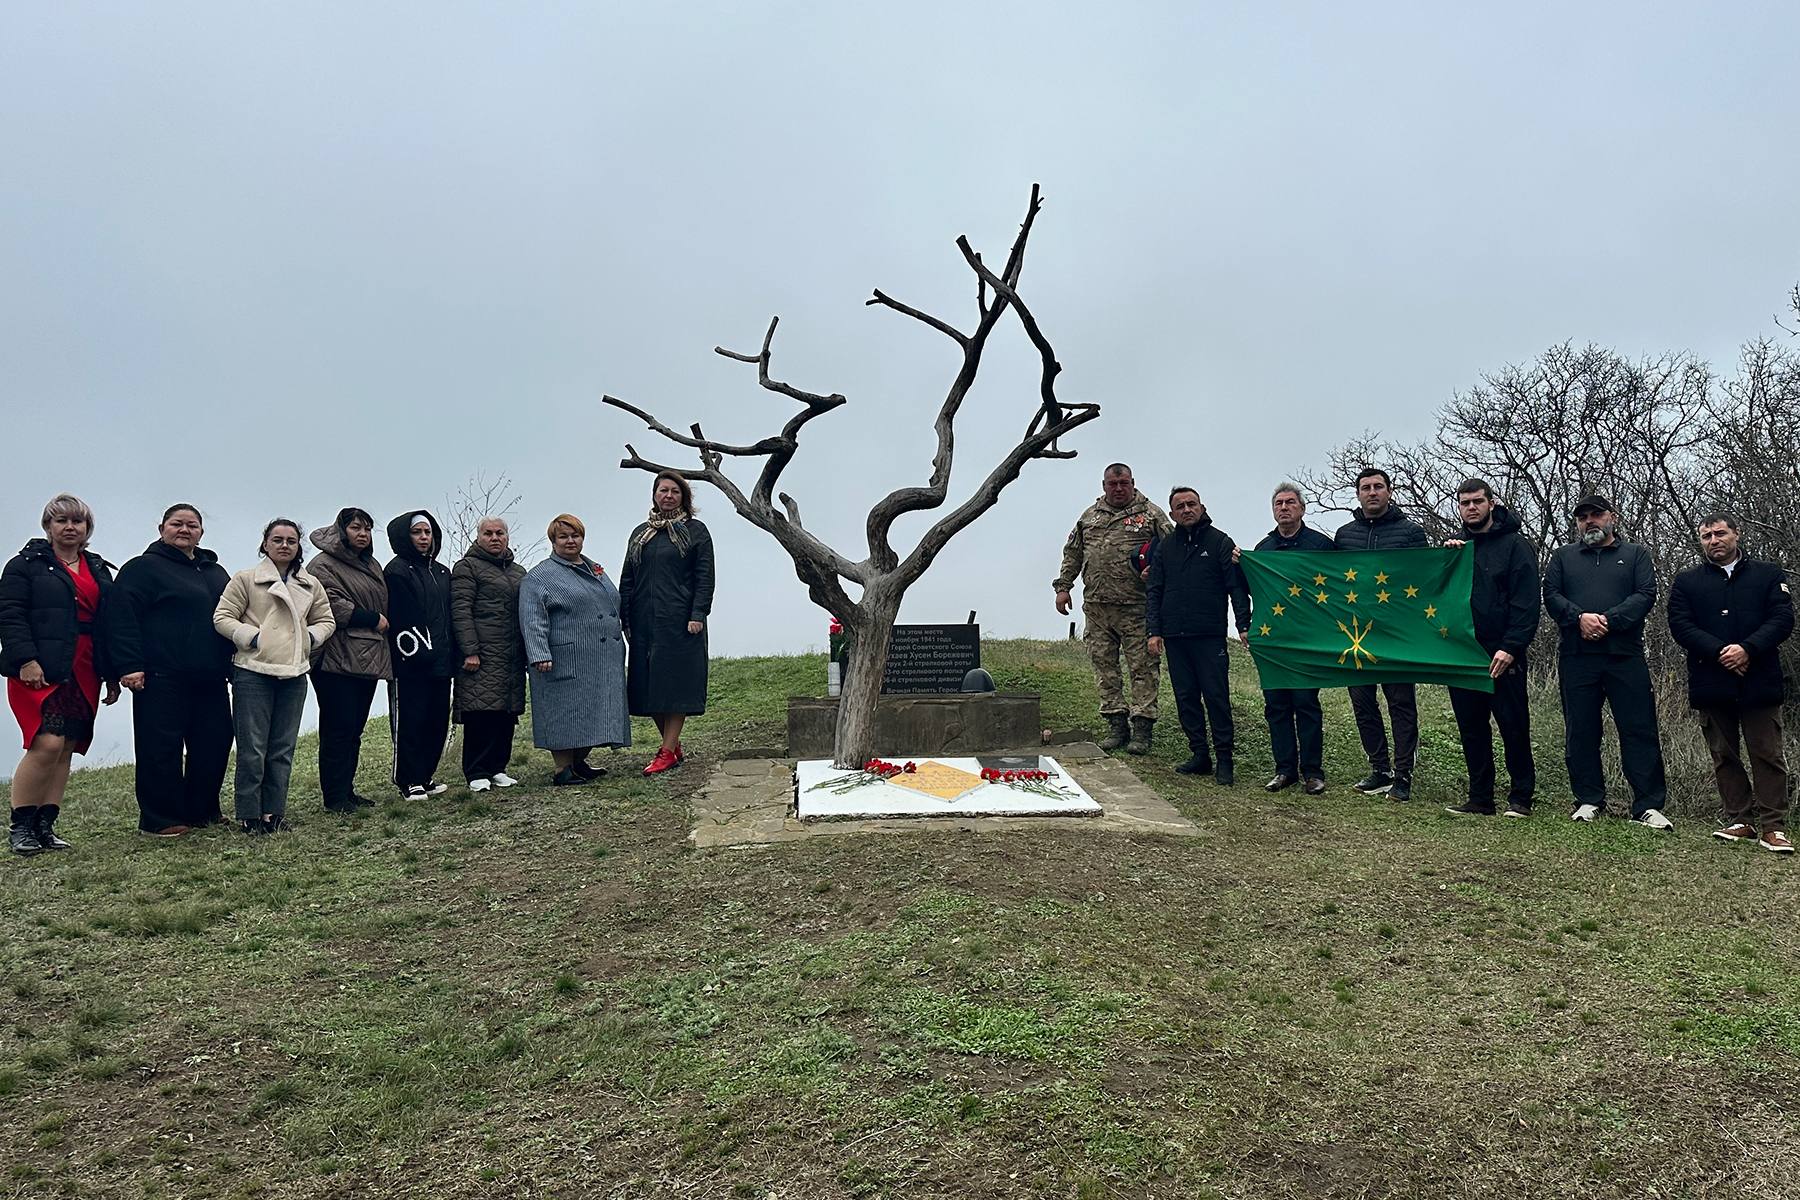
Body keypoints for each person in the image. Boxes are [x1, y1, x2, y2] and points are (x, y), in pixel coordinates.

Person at [1, 494, 123, 854]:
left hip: (85, 665)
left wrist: (111, 673)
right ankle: (20, 826)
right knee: (47, 742)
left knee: (67, 745)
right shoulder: (25, 565)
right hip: (41, 664)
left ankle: (44, 826)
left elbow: (107, 624)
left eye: (77, 521)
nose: (70, 527)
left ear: (87, 528)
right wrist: (26, 659)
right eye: (61, 520)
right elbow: (9, 615)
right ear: (48, 526)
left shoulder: (98, 568)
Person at [1667, 514, 1795, 852]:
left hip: (1760, 679)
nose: (1714, 540)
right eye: (1706, 536)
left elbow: (1782, 619)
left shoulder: (1768, 575)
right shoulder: (1687, 582)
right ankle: (1740, 820)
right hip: (1711, 680)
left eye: (1720, 533)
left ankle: (1774, 826)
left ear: (1736, 534)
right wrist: (1721, 652)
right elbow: (1681, 625)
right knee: (1723, 754)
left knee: (1767, 753)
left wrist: (1747, 649)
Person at [1543, 495, 1671, 829]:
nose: (1590, 521)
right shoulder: (1563, 557)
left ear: (1612, 517)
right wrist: (1579, 618)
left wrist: (1608, 621)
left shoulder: (1635, 555)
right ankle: (1589, 799)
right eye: (1583, 516)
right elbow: (1551, 596)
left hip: (1624, 656)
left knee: (1638, 728)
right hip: (1577, 657)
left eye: (1596, 514)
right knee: (1581, 730)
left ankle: (1647, 805)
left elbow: (1645, 594)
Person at [106, 503, 233, 836]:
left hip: (210, 677)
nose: (184, 530)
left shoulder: (215, 572)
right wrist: (129, 665)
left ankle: (202, 810)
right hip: (161, 675)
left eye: (192, 525)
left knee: (215, 741)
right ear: (161, 528)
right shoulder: (142, 569)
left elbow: (232, 618)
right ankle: (160, 818)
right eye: (177, 523)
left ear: (201, 532)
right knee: (160, 748)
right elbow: (121, 619)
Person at [212, 519, 336, 834]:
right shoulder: (246, 579)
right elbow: (223, 617)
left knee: (282, 747)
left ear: (298, 546)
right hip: (253, 670)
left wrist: (308, 638)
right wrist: (253, 638)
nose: (284, 545)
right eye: (277, 539)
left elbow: (326, 619)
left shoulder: (310, 584)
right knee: (253, 747)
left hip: (294, 672)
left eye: (291, 541)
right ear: (265, 544)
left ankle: (273, 813)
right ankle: (249, 814)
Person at [1054, 463, 1174, 755]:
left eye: (1123, 483)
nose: (1118, 488)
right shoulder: (1089, 516)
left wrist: (1160, 576)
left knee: (1143, 669)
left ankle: (1142, 729)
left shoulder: (1151, 515)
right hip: (1097, 608)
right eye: (1112, 484)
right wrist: (1063, 587)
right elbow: (1073, 552)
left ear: (1132, 482)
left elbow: (1173, 552)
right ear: (1104, 485)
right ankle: (1116, 725)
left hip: (1137, 608)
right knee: (1104, 667)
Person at [1441, 480, 1540, 819]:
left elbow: (1526, 602)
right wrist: (1448, 558)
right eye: (1465, 503)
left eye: (1477, 501)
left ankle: (1521, 798)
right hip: (1463, 654)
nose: (1471, 508)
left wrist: (1511, 647)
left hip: (1503, 654)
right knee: (1471, 727)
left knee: (1513, 726)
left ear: (1491, 504)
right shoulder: (1457, 548)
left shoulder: (1516, 546)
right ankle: (1480, 797)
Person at [1146, 487, 1251, 783]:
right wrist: (1154, 631)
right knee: (1186, 698)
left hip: (1209, 636)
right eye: (1180, 506)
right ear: (1172, 514)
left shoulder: (1220, 542)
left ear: (1202, 507)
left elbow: (1235, 588)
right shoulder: (1165, 547)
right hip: (1175, 637)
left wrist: (1243, 624)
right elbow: (1154, 590)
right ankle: (1199, 754)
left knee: (1216, 697)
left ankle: (1225, 759)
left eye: (1191, 504)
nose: (1187, 510)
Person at [1333, 467, 1427, 801]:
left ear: (1389, 491)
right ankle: (1380, 769)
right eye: (1366, 488)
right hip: (1357, 634)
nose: (1372, 492)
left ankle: (1403, 775)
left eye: (1378, 486)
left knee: (1400, 704)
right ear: (1358, 494)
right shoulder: (1344, 536)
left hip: (1397, 634)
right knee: (1362, 703)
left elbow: (1428, 576)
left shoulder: (1411, 532)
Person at [521, 514, 630, 785]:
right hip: (563, 658)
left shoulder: (594, 568)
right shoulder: (540, 576)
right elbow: (532, 619)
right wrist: (539, 653)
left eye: (575, 535)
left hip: (599, 658)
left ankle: (578, 762)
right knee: (565, 712)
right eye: (563, 537)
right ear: (553, 541)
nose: (570, 541)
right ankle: (562, 769)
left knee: (591, 709)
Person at [620, 471, 715, 777]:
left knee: (675, 685)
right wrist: (624, 615)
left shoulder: (695, 531)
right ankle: (671, 746)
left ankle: (666, 751)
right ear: (654, 495)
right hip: (643, 622)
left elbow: (704, 577)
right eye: (663, 490)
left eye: (675, 491)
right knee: (650, 686)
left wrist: (698, 614)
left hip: (680, 621)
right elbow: (628, 577)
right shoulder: (641, 533)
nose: (668, 496)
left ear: (684, 497)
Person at [1251, 483, 1335, 795]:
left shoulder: (1321, 545)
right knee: (1276, 705)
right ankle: (1284, 770)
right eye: (1279, 503)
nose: (1284, 508)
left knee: (1306, 703)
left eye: (1290, 502)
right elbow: (1253, 588)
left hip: (1308, 639)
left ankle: (1313, 772)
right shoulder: (1263, 549)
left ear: (1302, 508)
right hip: (1274, 641)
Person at [306, 509, 392, 813]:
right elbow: (328, 604)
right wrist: (372, 619)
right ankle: (334, 797)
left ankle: (347, 790)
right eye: (356, 528)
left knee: (354, 729)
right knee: (338, 729)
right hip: (335, 658)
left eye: (367, 529)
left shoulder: (371, 564)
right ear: (341, 530)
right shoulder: (322, 564)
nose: (363, 534)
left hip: (367, 657)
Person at [450, 517, 527, 792]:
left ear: (507, 536)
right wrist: (470, 650)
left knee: (505, 714)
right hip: (481, 654)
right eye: (488, 533)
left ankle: (497, 768)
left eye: (500, 533)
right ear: (478, 537)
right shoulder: (467, 567)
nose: (495, 538)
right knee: (480, 713)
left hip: (511, 655)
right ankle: (476, 771)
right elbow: (461, 610)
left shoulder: (518, 572)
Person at [384, 511, 456, 800]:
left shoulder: (442, 572)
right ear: (405, 536)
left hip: (442, 662)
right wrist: (419, 653)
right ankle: (408, 779)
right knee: (411, 722)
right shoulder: (397, 571)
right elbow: (402, 616)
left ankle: (425, 776)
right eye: (417, 532)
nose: (424, 538)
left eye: (428, 532)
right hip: (410, 664)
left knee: (436, 722)